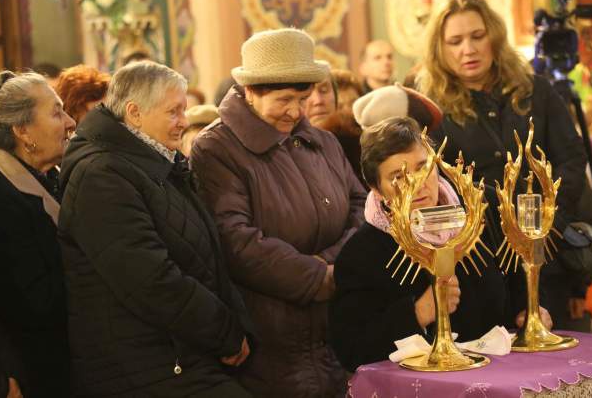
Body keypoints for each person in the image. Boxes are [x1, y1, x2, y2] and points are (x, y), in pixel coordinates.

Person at [57, 61, 254, 397]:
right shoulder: (102, 175)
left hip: (178, 353)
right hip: (146, 366)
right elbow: (149, 278)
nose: (184, 122)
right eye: (174, 112)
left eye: (184, 111)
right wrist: (223, 331)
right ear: (134, 113)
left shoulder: (152, 165)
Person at [190, 28, 366, 398]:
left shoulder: (322, 141)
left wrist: (336, 267)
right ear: (251, 92)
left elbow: (359, 208)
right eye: (284, 99)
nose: (297, 111)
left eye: (303, 98)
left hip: (336, 324)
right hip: (271, 336)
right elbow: (235, 239)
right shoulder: (216, 149)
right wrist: (318, 277)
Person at [419, 0, 588, 330]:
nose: (468, 49)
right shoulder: (429, 107)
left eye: (477, 36)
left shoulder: (536, 90)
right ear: (440, 49)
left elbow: (571, 159)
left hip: (546, 253)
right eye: (455, 41)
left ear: (494, 36)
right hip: (477, 267)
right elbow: (433, 187)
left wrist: (546, 222)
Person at [329, 117, 550, 373]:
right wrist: (417, 314)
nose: (417, 184)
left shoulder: (482, 210)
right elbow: (352, 349)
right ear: (376, 189)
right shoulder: (363, 253)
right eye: (398, 177)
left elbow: (518, 275)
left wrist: (531, 310)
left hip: (502, 374)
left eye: (423, 167)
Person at [0, 71, 76, 397]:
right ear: (23, 131)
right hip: (28, 374)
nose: (70, 122)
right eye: (56, 112)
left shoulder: (53, 176)